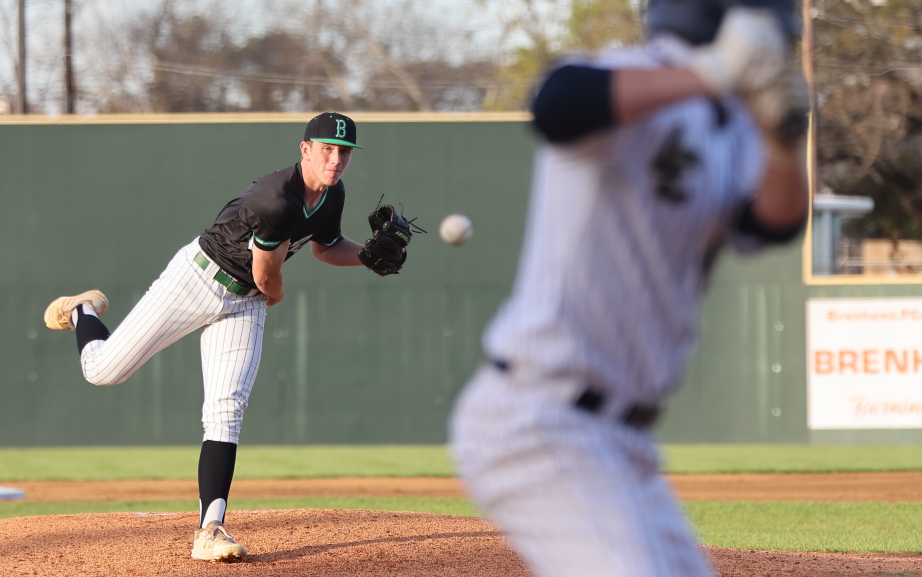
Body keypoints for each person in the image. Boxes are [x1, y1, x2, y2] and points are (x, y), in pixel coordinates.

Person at [449, 1, 809, 576]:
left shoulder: (737, 126)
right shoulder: (636, 73)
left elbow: (773, 223)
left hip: (623, 443)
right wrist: (715, 71)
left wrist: (784, 141)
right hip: (540, 419)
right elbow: (557, 104)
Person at [44, 112, 408, 562]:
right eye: (327, 149)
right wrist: (273, 295)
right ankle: (83, 311)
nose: (335, 160)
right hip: (197, 280)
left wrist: (368, 257)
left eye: (344, 152)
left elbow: (325, 246)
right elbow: (266, 275)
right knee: (102, 371)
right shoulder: (278, 200)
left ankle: (209, 530)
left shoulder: (332, 195)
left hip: (244, 301)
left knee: (226, 410)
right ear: (305, 149)